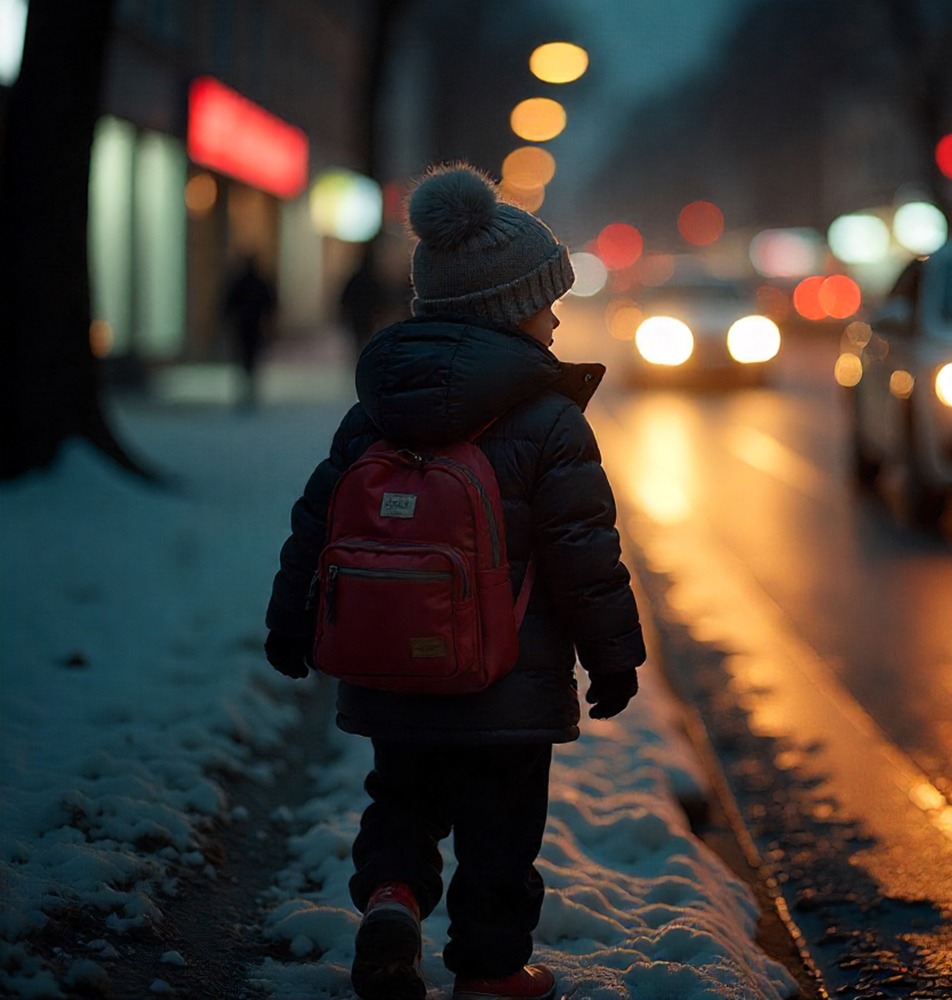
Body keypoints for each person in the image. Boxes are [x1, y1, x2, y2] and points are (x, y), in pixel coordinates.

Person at [263, 163, 645, 1000]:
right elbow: (585, 550)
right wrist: (613, 658)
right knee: (502, 834)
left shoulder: (375, 409)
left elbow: (317, 523)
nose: (554, 318)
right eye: (549, 300)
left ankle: (392, 903)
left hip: (392, 666)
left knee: (399, 800)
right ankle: (492, 970)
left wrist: (290, 624)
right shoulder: (548, 420)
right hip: (509, 678)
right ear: (513, 308)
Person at [222, 254, 276, 406]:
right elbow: (270, 305)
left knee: (246, 356)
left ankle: (247, 385)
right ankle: (249, 385)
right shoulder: (259, 282)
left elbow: (229, 305)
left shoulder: (242, 282)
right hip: (253, 325)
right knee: (251, 356)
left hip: (245, 325)